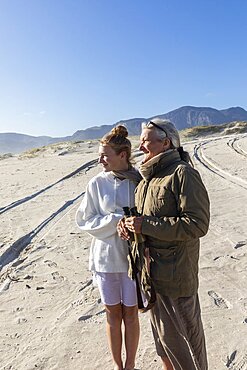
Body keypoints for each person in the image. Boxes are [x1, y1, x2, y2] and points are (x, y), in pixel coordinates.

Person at [118, 118, 210, 370]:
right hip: (151, 275)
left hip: (176, 277)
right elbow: (143, 219)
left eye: (146, 139)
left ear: (166, 142)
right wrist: (128, 226)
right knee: (165, 343)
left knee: (187, 348)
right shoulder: (147, 177)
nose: (141, 144)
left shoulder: (183, 173)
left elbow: (197, 224)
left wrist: (144, 225)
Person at [75, 125, 141, 370]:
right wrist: (115, 220)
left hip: (133, 260)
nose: (100, 159)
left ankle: (131, 364)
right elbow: (84, 219)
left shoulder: (140, 180)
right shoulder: (96, 183)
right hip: (104, 258)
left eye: (105, 155)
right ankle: (117, 365)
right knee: (113, 314)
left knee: (131, 315)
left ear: (122, 154)